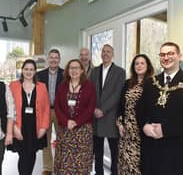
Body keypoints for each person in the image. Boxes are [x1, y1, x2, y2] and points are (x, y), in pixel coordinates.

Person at [137, 42, 183, 175]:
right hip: (151, 148)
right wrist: (144, 126)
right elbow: (140, 109)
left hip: (176, 150)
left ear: (179, 56)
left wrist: (164, 130)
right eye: (162, 54)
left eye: (171, 53)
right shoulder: (150, 83)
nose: (166, 57)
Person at [54, 59, 96, 175]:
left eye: (76, 68)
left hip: (83, 132)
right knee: (65, 163)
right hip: (65, 130)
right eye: (71, 68)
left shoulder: (89, 87)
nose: (74, 70)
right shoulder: (62, 86)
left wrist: (76, 122)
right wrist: (66, 121)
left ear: (82, 70)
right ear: (67, 70)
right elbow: (57, 107)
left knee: (81, 163)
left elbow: (90, 108)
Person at [8, 59, 50, 175]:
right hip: (19, 126)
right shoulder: (13, 86)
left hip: (35, 127)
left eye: (31, 69)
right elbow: (9, 108)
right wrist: (14, 128)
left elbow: (46, 108)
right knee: (23, 155)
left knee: (31, 154)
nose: (28, 72)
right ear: (22, 70)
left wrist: (44, 127)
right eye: (26, 69)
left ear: (35, 71)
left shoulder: (42, 87)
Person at [89, 44, 125, 175]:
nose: (105, 54)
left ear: (112, 54)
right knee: (97, 152)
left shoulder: (120, 72)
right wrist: (93, 108)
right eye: (103, 51)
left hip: (110, 117)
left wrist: (102, 110)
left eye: (108, 51)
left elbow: (117, 94)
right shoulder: (94, 71)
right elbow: (90, 92)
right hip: (95, 118)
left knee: (114, 152)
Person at [116, 54, 154, 175]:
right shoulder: (128, 83)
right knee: (124, 161)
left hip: (141, 130)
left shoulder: (153, 84)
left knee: (138, 163)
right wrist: (120, 124)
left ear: (148, 66)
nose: (139, 66)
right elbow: (120, 105)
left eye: (142, 63)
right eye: (136, 63)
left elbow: (153, 108)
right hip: (126, 130)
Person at [37, 49, 64, 175]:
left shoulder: (65, 74)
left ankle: (59, 165)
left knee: (61, 139)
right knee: (45, 140)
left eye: (56, 57)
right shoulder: (40, 74)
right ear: (48, 59)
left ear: (59, 59)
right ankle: (48, 167)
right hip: (45, 111)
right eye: (51, 57)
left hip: (60, 111)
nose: (54, 60)